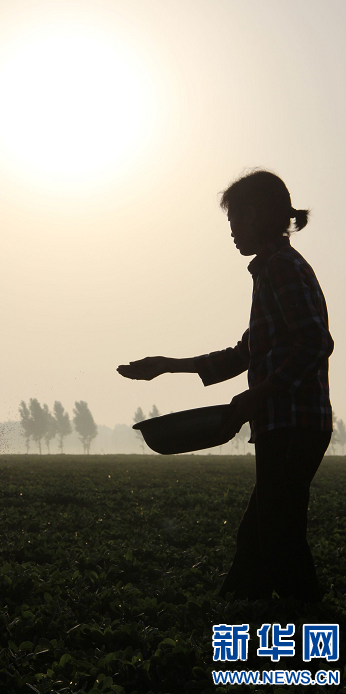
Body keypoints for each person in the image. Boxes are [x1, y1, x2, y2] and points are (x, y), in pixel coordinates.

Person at [117, 169, 334, 602]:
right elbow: (244, 354)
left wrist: (258, 395)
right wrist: (167, 365)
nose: (232, 231)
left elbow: (315, 343)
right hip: (282, 425)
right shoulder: (271, 270)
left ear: (255, 215)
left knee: (278, 535)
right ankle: (237, 608)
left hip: (294, 425)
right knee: (260, 531)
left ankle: (311, 628)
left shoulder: (282, 268)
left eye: (234, 219)